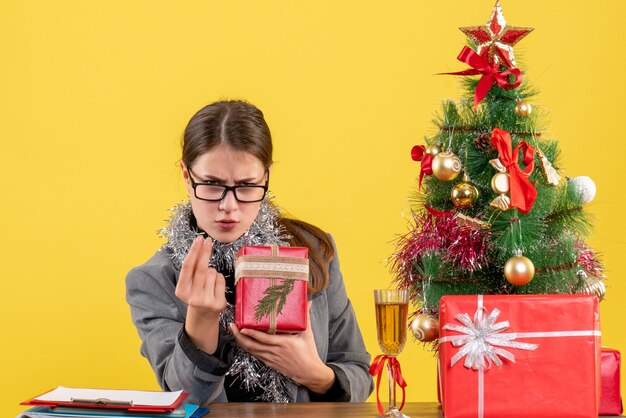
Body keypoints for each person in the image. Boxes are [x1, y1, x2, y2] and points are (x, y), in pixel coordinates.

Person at [125, 100, 373, 405]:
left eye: (246, 186)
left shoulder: (314, 251)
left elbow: (359, 374)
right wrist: (200, 325)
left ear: (266, 177)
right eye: (212, 184)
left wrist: (315, 374)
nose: (229, 206)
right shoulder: (154, 280)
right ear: (187, 176)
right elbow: (184, 402)